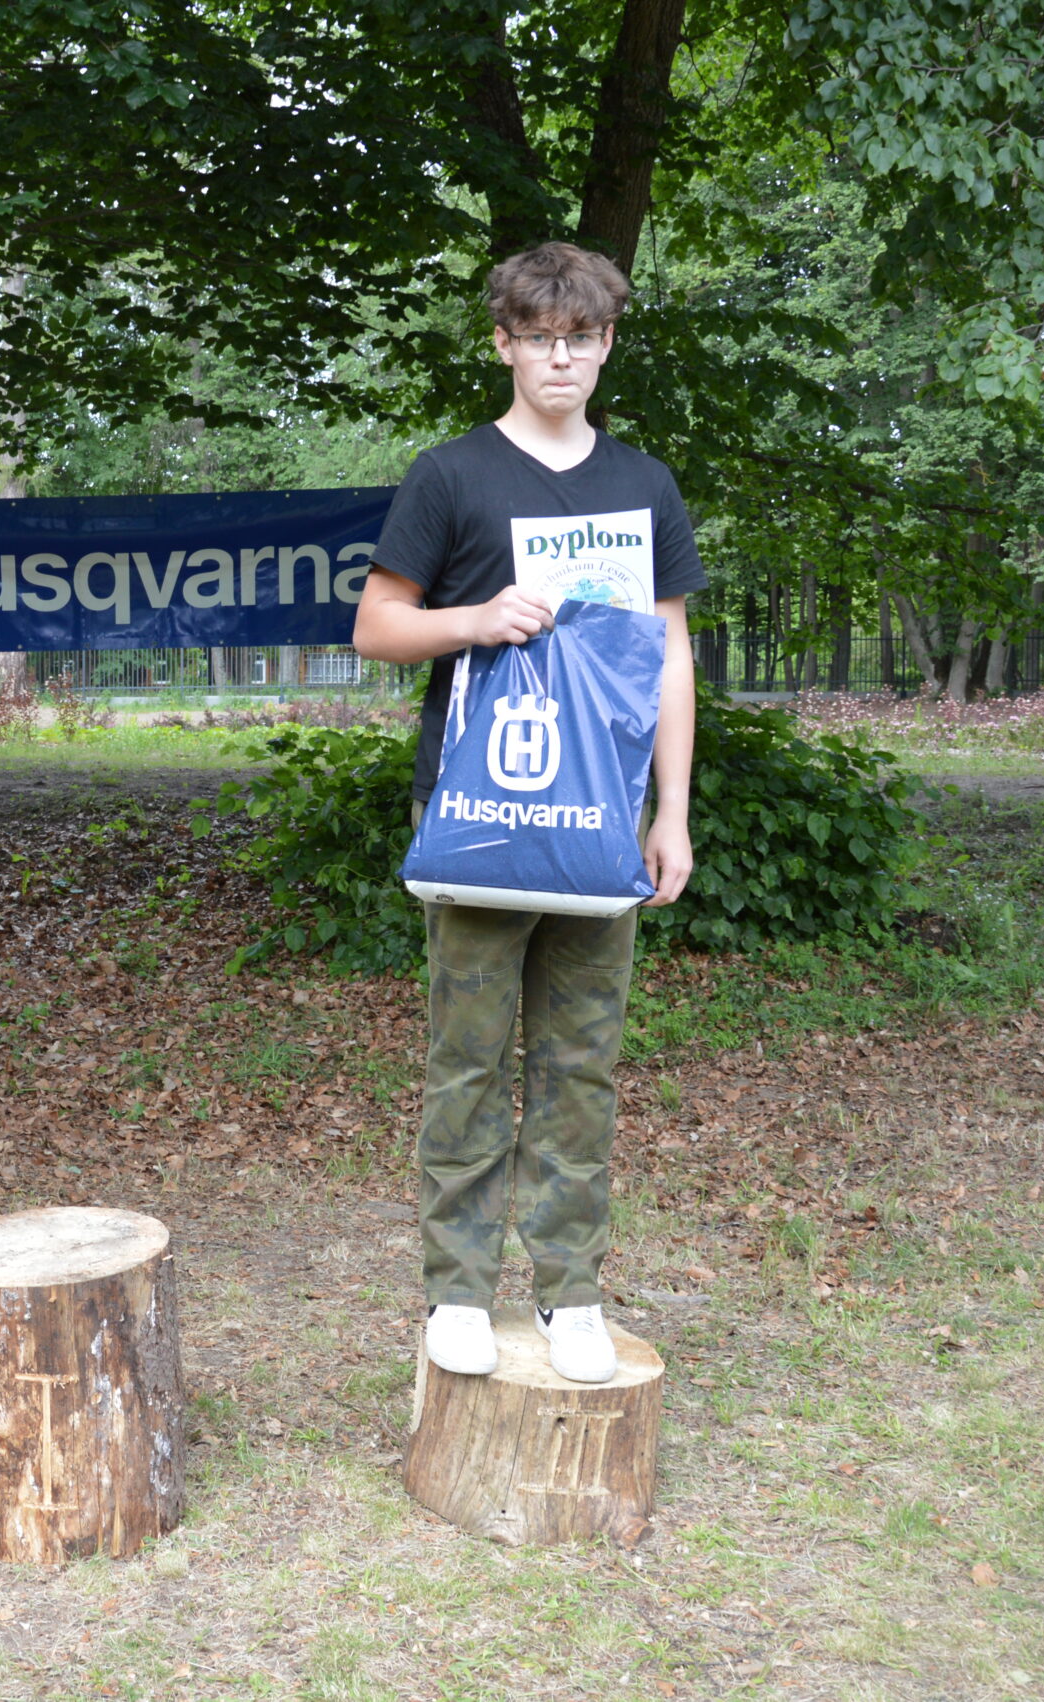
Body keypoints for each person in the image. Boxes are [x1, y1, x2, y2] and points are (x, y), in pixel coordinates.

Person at [352, 241, 704, 1385]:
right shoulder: (451, 475)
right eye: (540, 337)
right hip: (482, 812)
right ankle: (457, 1290)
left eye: (581, 337)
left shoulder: (643, 485)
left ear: (606, 344)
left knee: (581, 1061)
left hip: (600, 822)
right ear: (503, 342)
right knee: (465, 1058)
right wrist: (476, 619)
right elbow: (375, 626)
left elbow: (669, 655)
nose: (561, 357)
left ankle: (571, 1293)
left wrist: (671, 812)